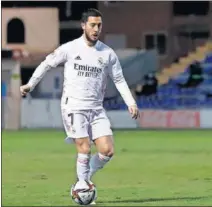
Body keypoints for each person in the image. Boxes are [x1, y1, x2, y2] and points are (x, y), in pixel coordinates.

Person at [20, 8, 139, 204]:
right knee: (84, 148)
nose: (96, 29)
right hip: (74, 106)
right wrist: (30, 84)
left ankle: (82, 180)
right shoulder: (70, 48)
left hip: (96, 109)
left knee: (107, 150)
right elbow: (47, 64)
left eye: (99, 25)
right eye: (92, 25)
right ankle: (82, 187)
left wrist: (131, 102)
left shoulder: (107, 53)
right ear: (83, 25)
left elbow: (118, 79)